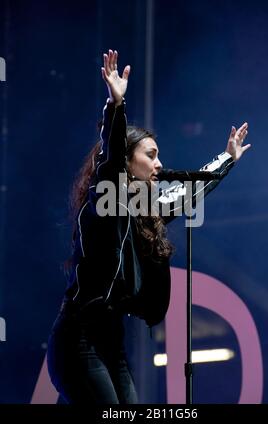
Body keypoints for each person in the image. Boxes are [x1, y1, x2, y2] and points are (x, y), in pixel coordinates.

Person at [47, 49, 251, 405]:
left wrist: (227, 159)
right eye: (151, 155)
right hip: (78, 340)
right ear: (127, 161)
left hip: (111, 341)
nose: (160, 164)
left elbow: (190, 191)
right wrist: (116, 107)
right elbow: (109, 160)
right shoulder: (103, 201)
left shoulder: (145, 207)